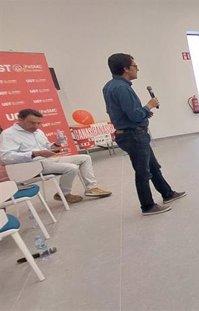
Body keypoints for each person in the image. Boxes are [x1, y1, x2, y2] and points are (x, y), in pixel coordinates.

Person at [103, 53, 185, 215]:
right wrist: (148, 107)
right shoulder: (122, 88)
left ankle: (167, 193)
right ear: (125, 69)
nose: (137, 69)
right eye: (134, 66)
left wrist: (144, 113)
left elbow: (119, 112)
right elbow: (133, 115)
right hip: (133, 135)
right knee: (143, 171)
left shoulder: (109, 86)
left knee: (153, 166)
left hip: (131, 132)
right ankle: (147, 205)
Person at [0, 109, 112, 204]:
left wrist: (57, 144)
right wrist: (35, 153)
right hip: (30, 166)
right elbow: (6, 157)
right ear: (20, 119)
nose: (36, 126)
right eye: (32, 123)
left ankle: (91, 188)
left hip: (46, 161)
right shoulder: (9, 134)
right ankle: (63, 193)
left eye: (39, 123)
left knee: (85, 158)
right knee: (71, 168)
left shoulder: (37, 131)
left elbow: (46, 147)